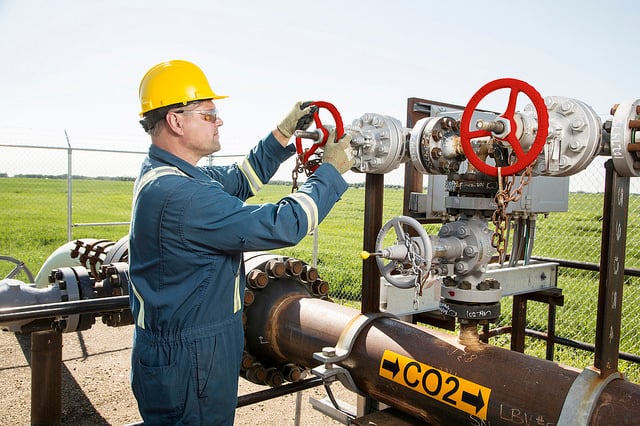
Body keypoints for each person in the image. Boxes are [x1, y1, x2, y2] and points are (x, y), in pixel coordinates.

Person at [128, 59, 353, 425]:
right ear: (175, 120)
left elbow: (240, 178)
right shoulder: (179, 195)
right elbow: (285, 225)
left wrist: (282, 134)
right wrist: (329, 172)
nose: (219, 121)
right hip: (190, 360)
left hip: (190, 350)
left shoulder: (171, 175)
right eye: (209, 113)